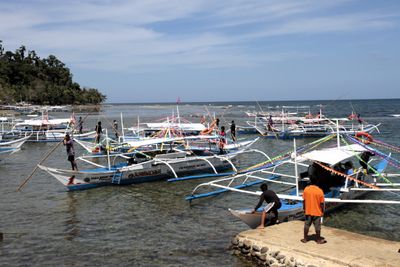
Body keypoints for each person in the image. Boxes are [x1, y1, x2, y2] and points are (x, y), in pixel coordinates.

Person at [301, 176, 326, 244]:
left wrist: (304, 209)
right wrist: (322, 211)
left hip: (308, 211)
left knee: (307, 225)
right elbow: (322, 204)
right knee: (317, 227)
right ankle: (318, 240)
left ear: (310, 182)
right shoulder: (320, 191)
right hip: (317, 212)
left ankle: (305, 239)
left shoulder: (306, 189)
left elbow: (304, 201)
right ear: (317, 182)